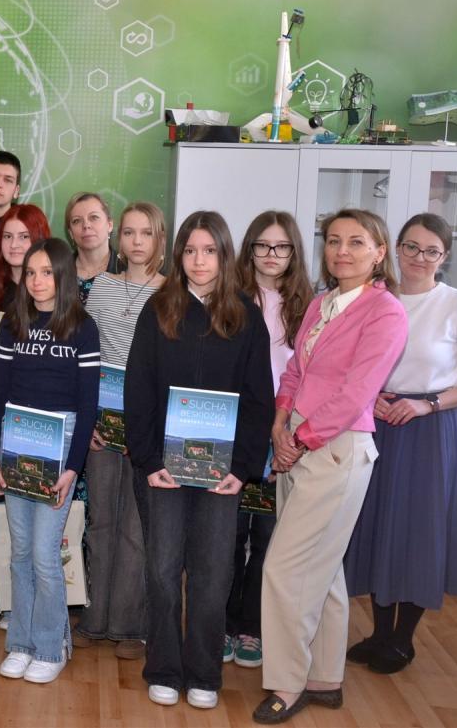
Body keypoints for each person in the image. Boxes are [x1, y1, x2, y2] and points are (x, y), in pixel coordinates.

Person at [254, 208, 407, 724]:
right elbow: (296, 370)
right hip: (296, 439)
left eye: (356, 242)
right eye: (334, 240)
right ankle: (324, 677)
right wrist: (280, 422)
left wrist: (298, 439)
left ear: (379, 252)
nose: (342, 251)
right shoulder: (323, 302)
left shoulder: (386, 313)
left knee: (285, 569)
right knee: (323, 568)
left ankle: (287, 682)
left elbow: (357, 392)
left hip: (336, 448)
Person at [124, 210, 274, 710]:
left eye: (209, 250)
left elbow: (259, 400)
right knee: (163, 571)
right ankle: (164, 668)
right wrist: (148, 460)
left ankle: (205, 673)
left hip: (221, 476)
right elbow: (138, 389)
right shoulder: (158, 308)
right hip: (163, 470)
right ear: (178, 255)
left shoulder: (246, 317)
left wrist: (242, 468)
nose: (199, 260)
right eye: (190, 251)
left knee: (212, 576)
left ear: (224, 255)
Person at [344, 212, 457, 674]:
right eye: (411, 247)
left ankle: (401, 640)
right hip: (377, 421)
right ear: (395, 248)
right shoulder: (373, 299)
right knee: (376, 526)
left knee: (419, 533)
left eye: (431, 251)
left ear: (444, 257)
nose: (418, 258)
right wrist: (370, 397)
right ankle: (378, 633)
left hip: (432, 429)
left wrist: (428, 404)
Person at [0, 238, 101, 684]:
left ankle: (51, 646)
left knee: (45, 554)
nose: (36, 281)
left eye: (47, 272)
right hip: (16, 441)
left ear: (63, 275)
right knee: (19, 552)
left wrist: (73, 467)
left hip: (61, 443)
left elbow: (88, 406)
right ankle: (22, 643)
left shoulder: (83, 328)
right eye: (30, 273)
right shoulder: (13, 324)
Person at [73, 201, 168, 659]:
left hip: (147, 427)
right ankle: (95, 619)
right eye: (129, 232)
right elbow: (87, 358)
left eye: (145, 233)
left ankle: (129, 625)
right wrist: (87, 418)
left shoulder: (172, 294)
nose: (136, 241)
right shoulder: (102, 288)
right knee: (101, 522)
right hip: (101, 424)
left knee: (135, 526)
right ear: (119, 238)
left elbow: (170, 368)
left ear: (159, 239)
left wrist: (151, 429)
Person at [223, 211, 312, 668]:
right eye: (262, 245)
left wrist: (288, 434)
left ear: (294, 251)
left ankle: (252, 628)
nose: (271, 255)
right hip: (238, 431)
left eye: (281, 247)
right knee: (229, 535)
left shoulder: (311, 306)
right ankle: (221, 623)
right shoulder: (230, 299)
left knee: (268, 539)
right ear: (249, 249)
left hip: (287, 433)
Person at [0, 202, 50, 629]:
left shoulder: (53, 297)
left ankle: (21, 603)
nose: (16, 244)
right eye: (8, 236)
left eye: (25, 236)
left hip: (37, 424)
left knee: (27, 526)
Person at [0, 203, 51, 312]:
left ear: (40, 239)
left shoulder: (55, 289)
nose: (13, 245)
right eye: (8, 236)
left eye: (24, 237)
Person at [64, 192, 118, 304]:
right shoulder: (59, 272)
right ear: (71, 233)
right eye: (77, 221)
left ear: (109, 225)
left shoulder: (127, 269)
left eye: (94, 217)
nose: (86, 225)